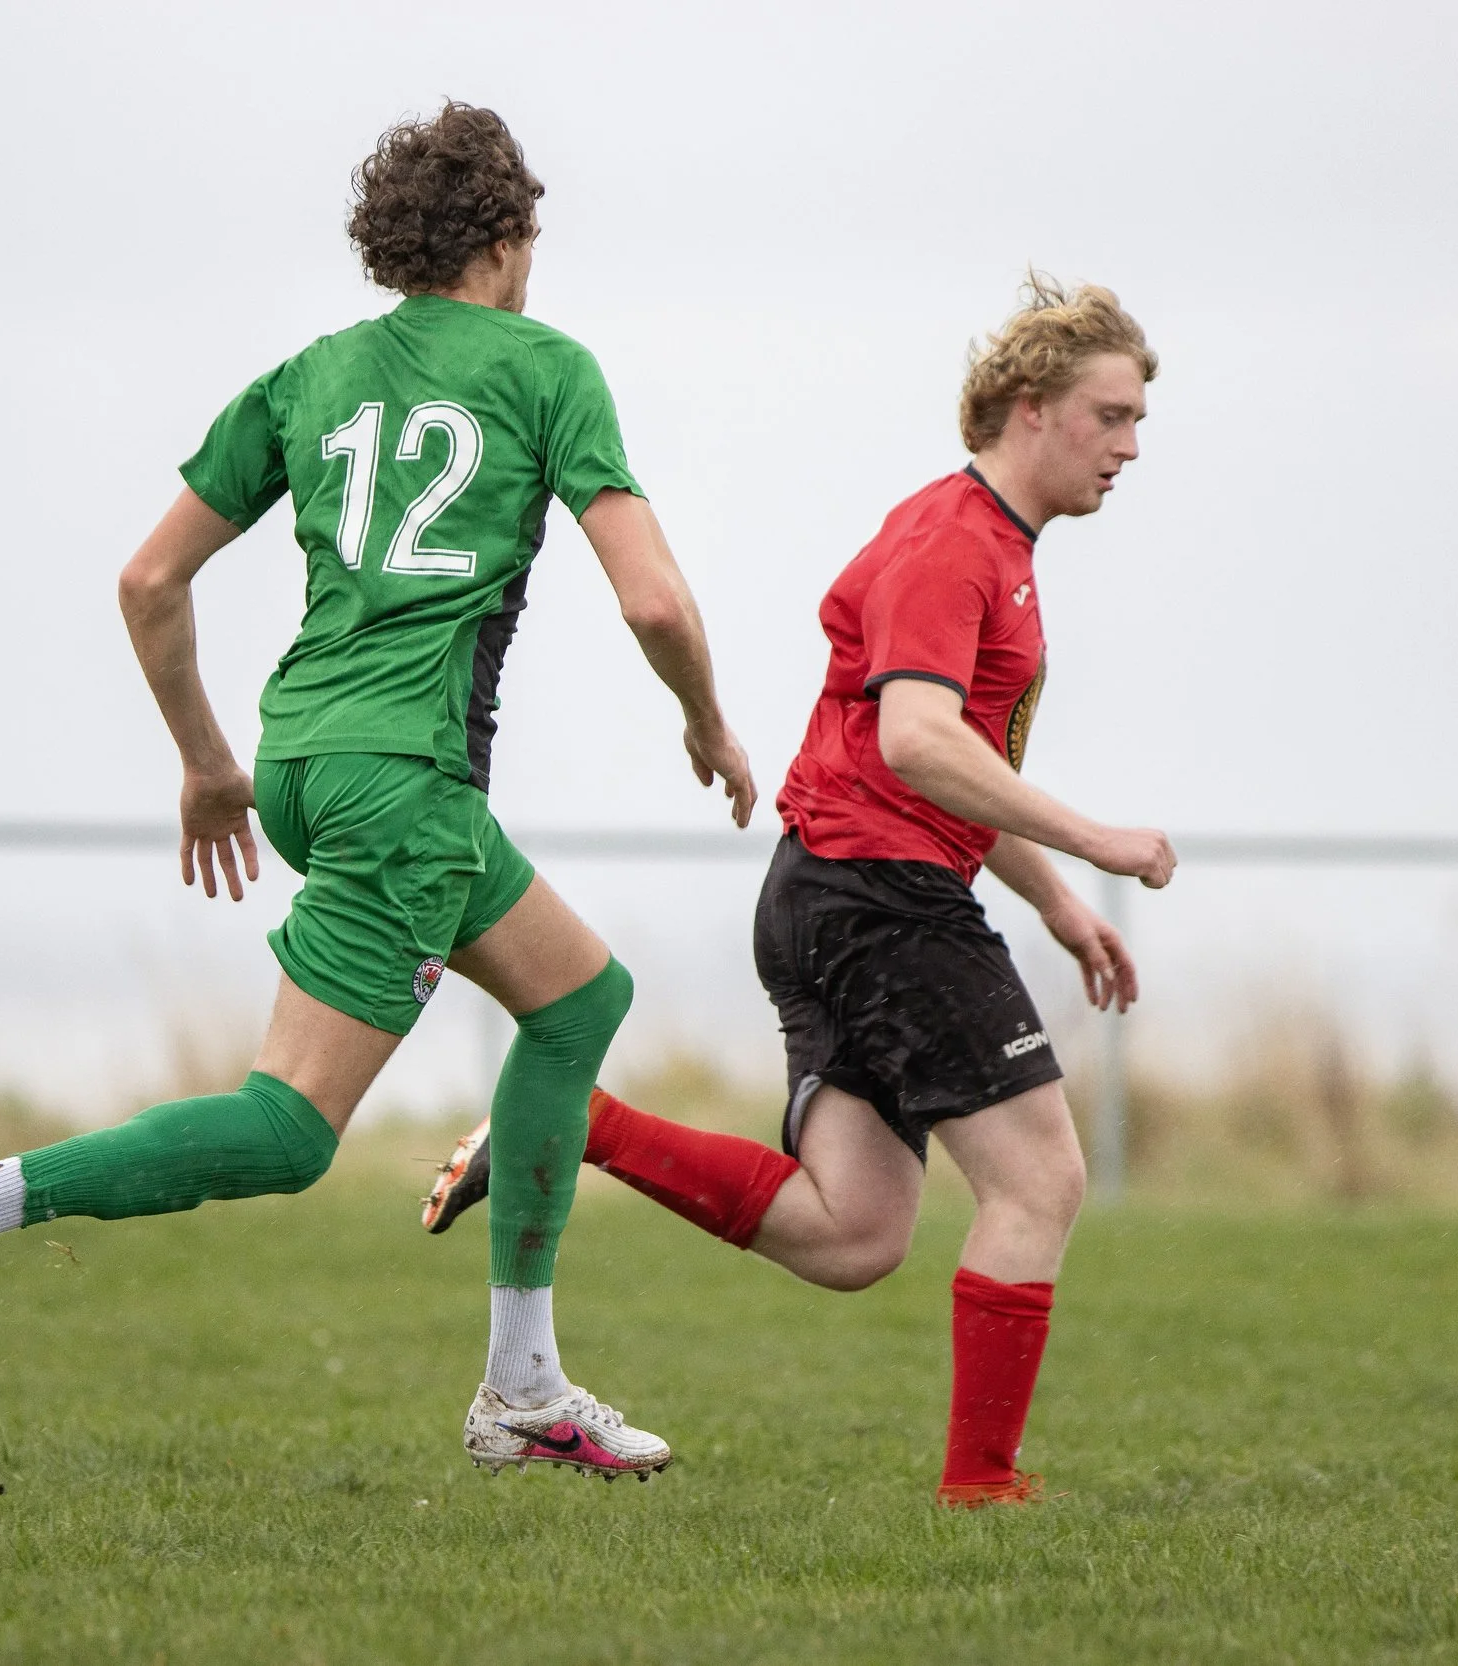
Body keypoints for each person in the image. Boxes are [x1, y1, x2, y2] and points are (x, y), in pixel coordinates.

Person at [0, 102, 756, 1482]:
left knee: (579, 997)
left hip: (306, 759)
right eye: (534, 235)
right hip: (405, 785)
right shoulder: (549, 369)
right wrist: (709, 722)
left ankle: (523, 1383)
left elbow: (148, 580)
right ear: (509, 237)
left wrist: (205, 762)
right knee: (287, 1130)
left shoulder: (310, 378)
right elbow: (657, 599)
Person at [421, 277, 1173, 1506]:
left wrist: (1055, 902)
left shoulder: (986, 544)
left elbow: (952, 773)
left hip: (840, 891)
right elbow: (920, 744)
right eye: (1113, 415)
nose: (1131, 446)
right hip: (879, 901)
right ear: (1031, 408)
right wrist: (1094, 841)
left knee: (856, 1233)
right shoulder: (952, 545)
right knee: (1040, 1181)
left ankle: (579, 1127)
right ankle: (981, 1488)